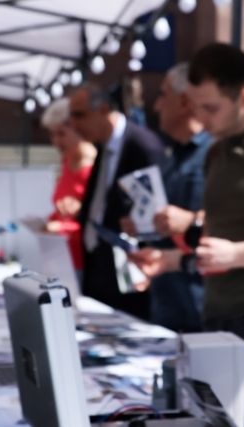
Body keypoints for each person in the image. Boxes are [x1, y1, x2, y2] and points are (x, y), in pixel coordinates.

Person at [131, 43, 244, 351]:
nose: (201, 118)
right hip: (219, 316)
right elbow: (225, 236)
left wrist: (237, 254)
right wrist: (170, 260)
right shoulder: (217, 150)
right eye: (195, 106)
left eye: (211, 108)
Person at [121, 63, 212, 332]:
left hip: (203, 305)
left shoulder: (216, 153)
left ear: (184, 102)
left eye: (163, 95)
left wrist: (192, 221)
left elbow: (241, 220)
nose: (157, 105)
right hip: (167, 304)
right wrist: (143, 224)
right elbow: (167, 222)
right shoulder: (170, 156)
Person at [70, 83, 164, 319]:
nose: (74, 124)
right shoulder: (105, 146)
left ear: (103, 109)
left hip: (129, 274)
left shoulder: (142, 145)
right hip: (98, 266)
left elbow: (154, 215)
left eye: (79, 115)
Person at [41, 97, 97, 276]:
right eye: (52, 135)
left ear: (78, 129)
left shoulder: (93, 167)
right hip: (62, 258)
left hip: (86, 263)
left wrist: (61, 228)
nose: (56, 141)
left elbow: (98, 222)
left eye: (61, 134)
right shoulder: (66, 161)